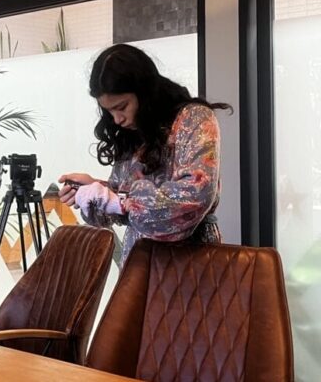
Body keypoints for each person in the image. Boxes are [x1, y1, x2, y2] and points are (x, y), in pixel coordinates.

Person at [59, 43, 230, 265]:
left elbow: (195, 196)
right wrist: (96, 190)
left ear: (145, 92)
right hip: (138, 263)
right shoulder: (131, 133)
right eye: (109, 111)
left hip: (189, 264)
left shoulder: (194, 119)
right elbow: (122, 202)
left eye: (122, 106)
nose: (117, 119)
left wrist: (117, 200)